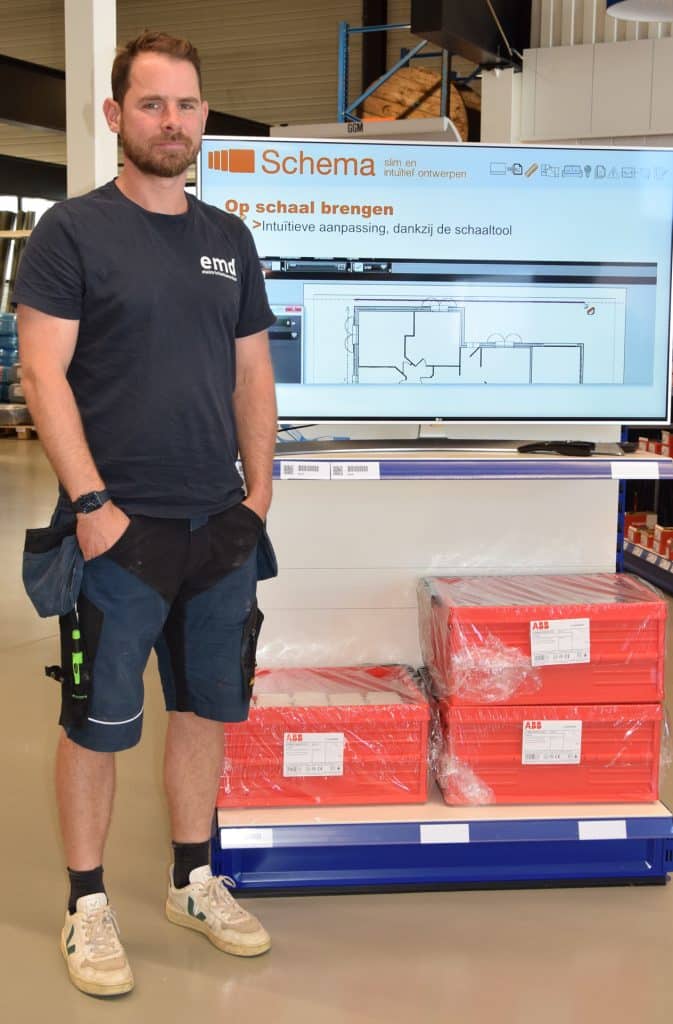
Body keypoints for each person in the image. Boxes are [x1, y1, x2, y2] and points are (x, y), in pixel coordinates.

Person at [15, 30, 277, 998]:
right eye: (153, 103)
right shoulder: (71, 232)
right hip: (116, 532)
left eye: (187, 104)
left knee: (204, 710)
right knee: (96, 722)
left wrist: (257, 496)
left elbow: (253, 375)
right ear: (114, 114)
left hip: (220, 529)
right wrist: (91, 505)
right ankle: (86, 902)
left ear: (203, 116)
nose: (173, 121)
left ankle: (191, 881)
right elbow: (42, 373)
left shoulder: (228, 240)